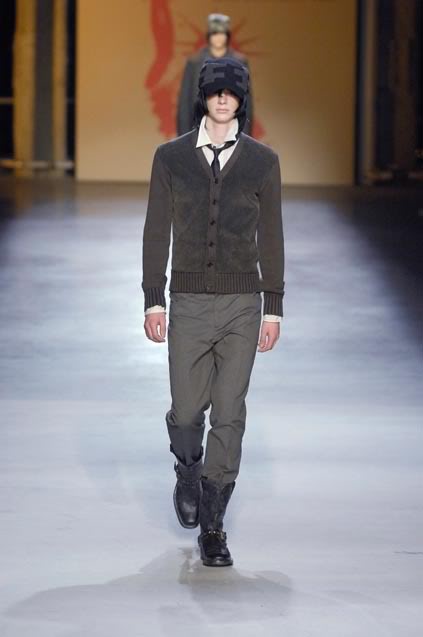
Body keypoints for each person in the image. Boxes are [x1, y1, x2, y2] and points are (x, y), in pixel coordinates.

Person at [142, 56, 285, 567]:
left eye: (232, 91)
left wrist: (273, 307)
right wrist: (153, 298)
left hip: (243, 305)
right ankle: (187, 468)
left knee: (229, 413)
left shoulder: (262, 161)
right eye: (215, 90)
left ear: (242, 98)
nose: (223, 98)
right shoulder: (171, 158)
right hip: (188, 303)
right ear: (202, 96)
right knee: (186, 412)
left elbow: (271, 235)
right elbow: (156, 229)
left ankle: (214, 527)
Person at [176, 13, 254, 136]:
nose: (218, 38)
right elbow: (185, 103)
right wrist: (184, 137)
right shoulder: (194, 62)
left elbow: (246, 103)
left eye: (222, 33)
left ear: (227, 35)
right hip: (199, 129)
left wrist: (245, 137)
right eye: (214, 33)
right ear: (208, 35)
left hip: (232, 130)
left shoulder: (240, 62)